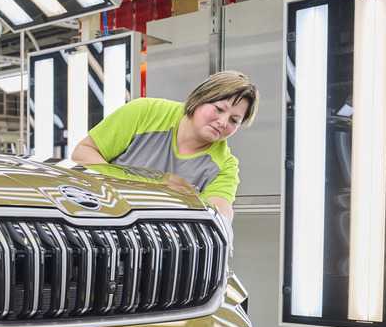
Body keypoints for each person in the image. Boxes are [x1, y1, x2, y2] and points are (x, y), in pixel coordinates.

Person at [68, 71, 258, 224]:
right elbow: (83, 152)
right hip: (100, 220)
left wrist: (221, 218)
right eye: (219, 109)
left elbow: (219, 212)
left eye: (234, 120)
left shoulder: (225, 166)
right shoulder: (144, 112)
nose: (223, 122)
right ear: (200, 98)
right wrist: (155, 186)